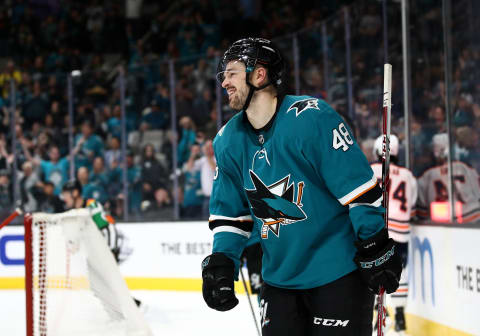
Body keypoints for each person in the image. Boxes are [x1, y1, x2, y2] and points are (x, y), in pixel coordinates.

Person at [201, 38, 402, 336]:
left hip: (337, 274)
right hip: (278, 281)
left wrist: (374, 242)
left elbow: (357, 188)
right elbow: (230, 216)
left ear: (260, 74)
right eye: (223, 76)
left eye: (231, 73)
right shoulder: (227, 141)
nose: (224, 83)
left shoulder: (312, 118)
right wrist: (222, 260)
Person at [371, 135, 417, 334]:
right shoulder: (407, 175)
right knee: (401, 272)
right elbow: (413, 206)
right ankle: (399, 314)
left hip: (378, 229)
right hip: (401, 233)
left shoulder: (370, 170)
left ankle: (380, 313)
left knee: (374, 272)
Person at [417, 133, 480, 223]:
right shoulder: (465, 168)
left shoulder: (427, 175)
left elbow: (422, 213)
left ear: (434, 153)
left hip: (444, 221)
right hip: (473, 216)